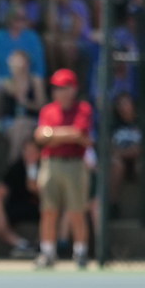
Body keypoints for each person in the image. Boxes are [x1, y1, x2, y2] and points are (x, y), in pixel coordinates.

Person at [33, 68, 94, 269]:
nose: (60, 91)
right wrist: (65, 135)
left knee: (77, 211)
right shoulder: (47, 110)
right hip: (50, 164)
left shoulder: (83, 108)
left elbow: (79, 134)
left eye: (65, 87)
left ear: (74, 89)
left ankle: (81, 254)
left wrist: (52, 135)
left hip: (75, 164)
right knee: (48, 211)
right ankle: (48, 253)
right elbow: (40, 137)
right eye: (57, 88)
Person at [0, 6, 46, 125]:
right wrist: (7, 83)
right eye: (16, 18)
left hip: (27, 78)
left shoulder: (32, 37)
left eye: (22, 18)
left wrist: (28, 85)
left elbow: (39, 67)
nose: (19, 21)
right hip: (3, 80)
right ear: (8, 19)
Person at [0, 137, 41, 258]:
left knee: (53, 210)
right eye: (27, 151)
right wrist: (0, 217)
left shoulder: (46, 167)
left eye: (33, 151)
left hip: (39, 207)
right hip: (16, 207)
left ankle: (40, 247)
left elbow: (41, 193)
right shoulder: (15, 167)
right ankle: (22, 245)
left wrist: (32, 174)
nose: (30, 154)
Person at [43, 0, 94, 76]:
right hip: (62, 40)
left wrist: (66, 2)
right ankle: (56, 78)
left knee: (66, 46)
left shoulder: (77, 3)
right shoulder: (53, 7)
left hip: (82, 41)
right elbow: (52, 29)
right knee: (50, 40)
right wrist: (53, 4)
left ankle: (69, 81)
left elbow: (77, 30)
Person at [108, 91, 141, 218]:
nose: (123, 107)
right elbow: (111, 148)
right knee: (116, 164)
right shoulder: (113, 126)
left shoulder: (141, 123)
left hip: (137, 160)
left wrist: (127, 152)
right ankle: (113, 205)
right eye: (120, 104)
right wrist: (125, 153)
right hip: (120, 161)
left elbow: (144, 148)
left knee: (142, 165)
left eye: (126, 103)